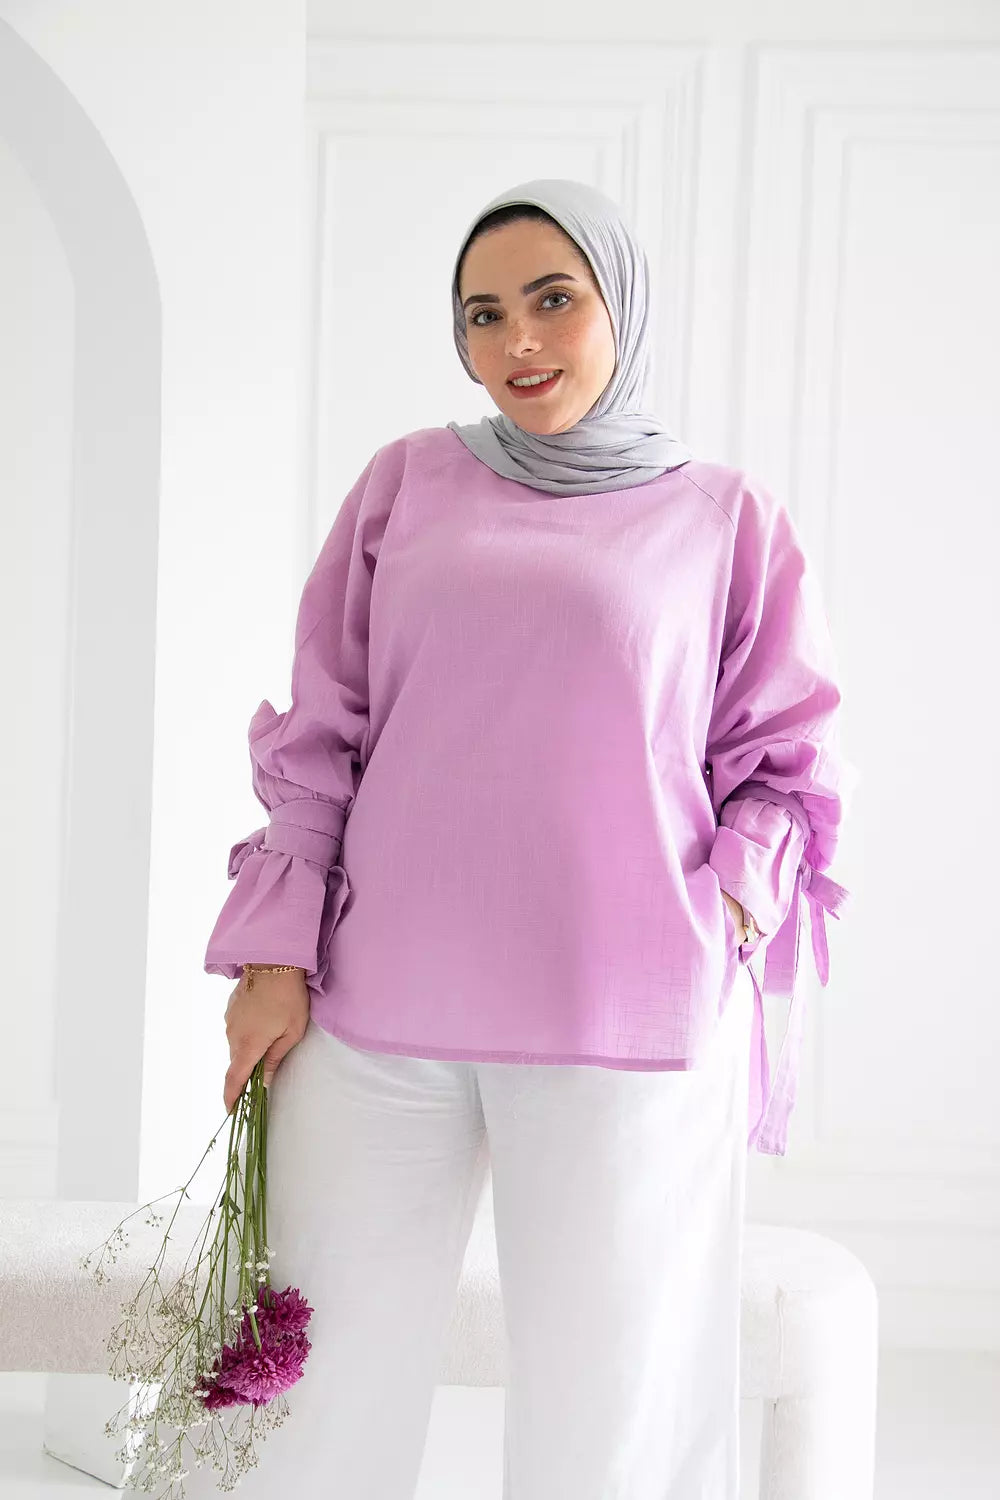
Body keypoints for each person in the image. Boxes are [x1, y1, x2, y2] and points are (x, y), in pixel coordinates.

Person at [204, 178, 855, 1499]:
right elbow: (326, 728)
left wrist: (721, 913)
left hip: (627, 1010)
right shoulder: (405, 483)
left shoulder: (725, 517)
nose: (520, 341)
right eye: (484, 315)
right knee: (315, 1383)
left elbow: (786, 760)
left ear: (624, 304)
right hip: (379, 1005)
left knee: (614, 1406)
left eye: (554, 300)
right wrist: (274, 957)